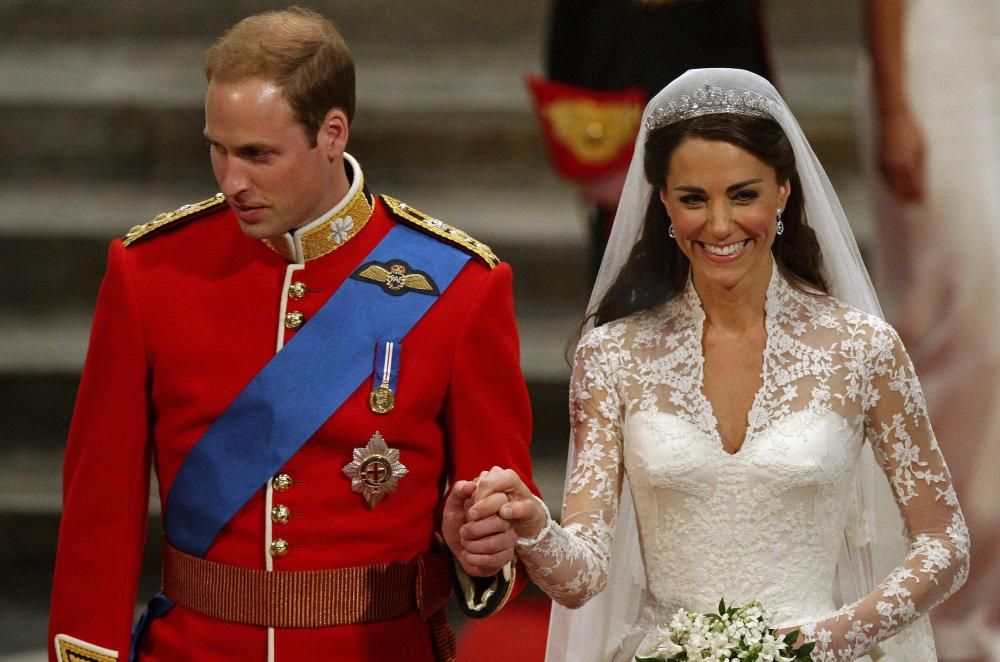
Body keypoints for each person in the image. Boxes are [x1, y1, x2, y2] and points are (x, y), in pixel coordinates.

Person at [47, 7, 534, 662]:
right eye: (216, 149)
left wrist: (483, 548)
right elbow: (97, 515)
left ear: (332, 133)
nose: (231, 181)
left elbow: (503, 527)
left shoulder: (460, 286)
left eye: (257, 155)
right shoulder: (148, 272)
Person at [466, 69, 969, 661]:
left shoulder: (863, 348)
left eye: (744, 194)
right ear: (663, 203)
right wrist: (534, 528)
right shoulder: (613, 356)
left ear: (784, 190)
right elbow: (583, 578)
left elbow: (946, 542)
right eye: (694, 200)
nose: (721, 225)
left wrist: (826, 641)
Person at [863, 2, 1000, 659]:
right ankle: (926, 596)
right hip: (935, 63)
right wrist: (895, 103)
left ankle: (979, 618)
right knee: (967, 329)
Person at [532, 0, 774, 282]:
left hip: (718, 114)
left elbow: (741, 42)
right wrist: (593, 152)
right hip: (624, 126)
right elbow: (572, 37)